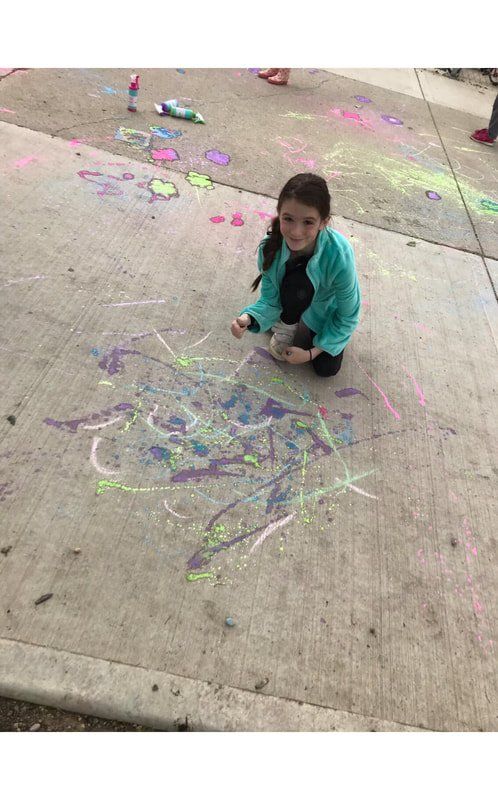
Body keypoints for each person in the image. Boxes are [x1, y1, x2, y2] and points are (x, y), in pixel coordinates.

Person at [230, 173, 361, 378]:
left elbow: (349, 314)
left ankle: (302, 322)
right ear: (279, 214)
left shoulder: (339, 255)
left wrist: (310, 353)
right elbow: (270, 298)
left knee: (326, 368)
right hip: (293, 297)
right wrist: (249, 318)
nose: (296, 232)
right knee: (297, 282)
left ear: (323, 222)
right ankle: (287, 324)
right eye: (288, 219)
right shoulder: (270, 246)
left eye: (308, 222)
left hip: (324, 310)